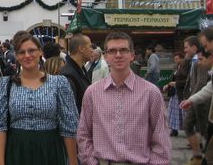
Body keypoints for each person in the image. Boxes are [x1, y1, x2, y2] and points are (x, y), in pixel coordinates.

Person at [77, 31, 171, 165]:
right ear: (106, 56)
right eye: (112, 51)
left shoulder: (151, 92)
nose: (118, 55)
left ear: (132, 55)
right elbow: (83, 133)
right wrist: (91, 162)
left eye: (123, 50)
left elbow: (161, 138)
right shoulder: (92, 93)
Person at [0, 32, 79, 165]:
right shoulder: (6, 84)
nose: (27, 55)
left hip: (50, 149)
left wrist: (73, 161)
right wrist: (0, 162)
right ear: (16, 56)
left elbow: (69, 126)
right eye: (22, 52)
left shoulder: (59, 83)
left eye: (31, 50)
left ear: (40, 52)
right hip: (17, 150)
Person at [181, 26, 213, 165]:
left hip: (203, 106)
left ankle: (199, 157)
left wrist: (192, 99)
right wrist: (191, 99)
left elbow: (202, 83)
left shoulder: (204, 60)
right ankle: (199, 156)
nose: (205, 49)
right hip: (199, 102)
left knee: (202, 130)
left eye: (206, 45)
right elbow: (209, 87)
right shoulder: (194, 60)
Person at [60, 33, 92, 113]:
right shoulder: (68, 75)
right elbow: (69, 110)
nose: (92, 50)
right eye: (90, 46)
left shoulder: (81, 69)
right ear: (81, 48)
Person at [163, 52, 185, 136]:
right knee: (172, 111)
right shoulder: (176, 67)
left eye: (177, 58)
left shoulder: (185, 67)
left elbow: (186, 80)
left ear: (182, 58)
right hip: (174, 91)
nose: (175, 60)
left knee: (180, 112)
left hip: (180, 91)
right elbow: (173, 79)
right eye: (175, 59)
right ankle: (173, 129)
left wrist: (175, 83)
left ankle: (183, 128)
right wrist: (168, 85)